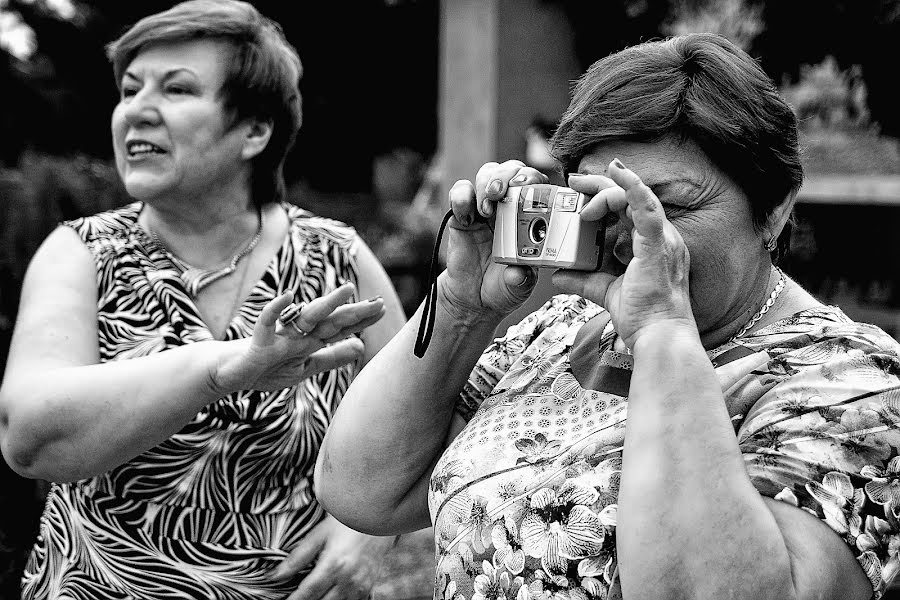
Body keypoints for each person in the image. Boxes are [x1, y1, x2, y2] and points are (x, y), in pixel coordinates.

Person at [314, 33, 900, 600]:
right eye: (603, 205)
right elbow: (364, 488)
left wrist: (663, 332)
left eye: (669, 206)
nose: (633, 235)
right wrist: (463, 304)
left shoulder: (849, 385)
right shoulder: (557, 332)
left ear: (773, 211)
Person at [0, 1, 407, 598]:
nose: (136, 111)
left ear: (254, 130)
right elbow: (27, 433)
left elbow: (424, 420)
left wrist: (369, 532)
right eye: (130, 89)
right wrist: (222, 368)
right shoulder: (80, 254)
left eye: (176, 89)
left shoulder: (336, 257)